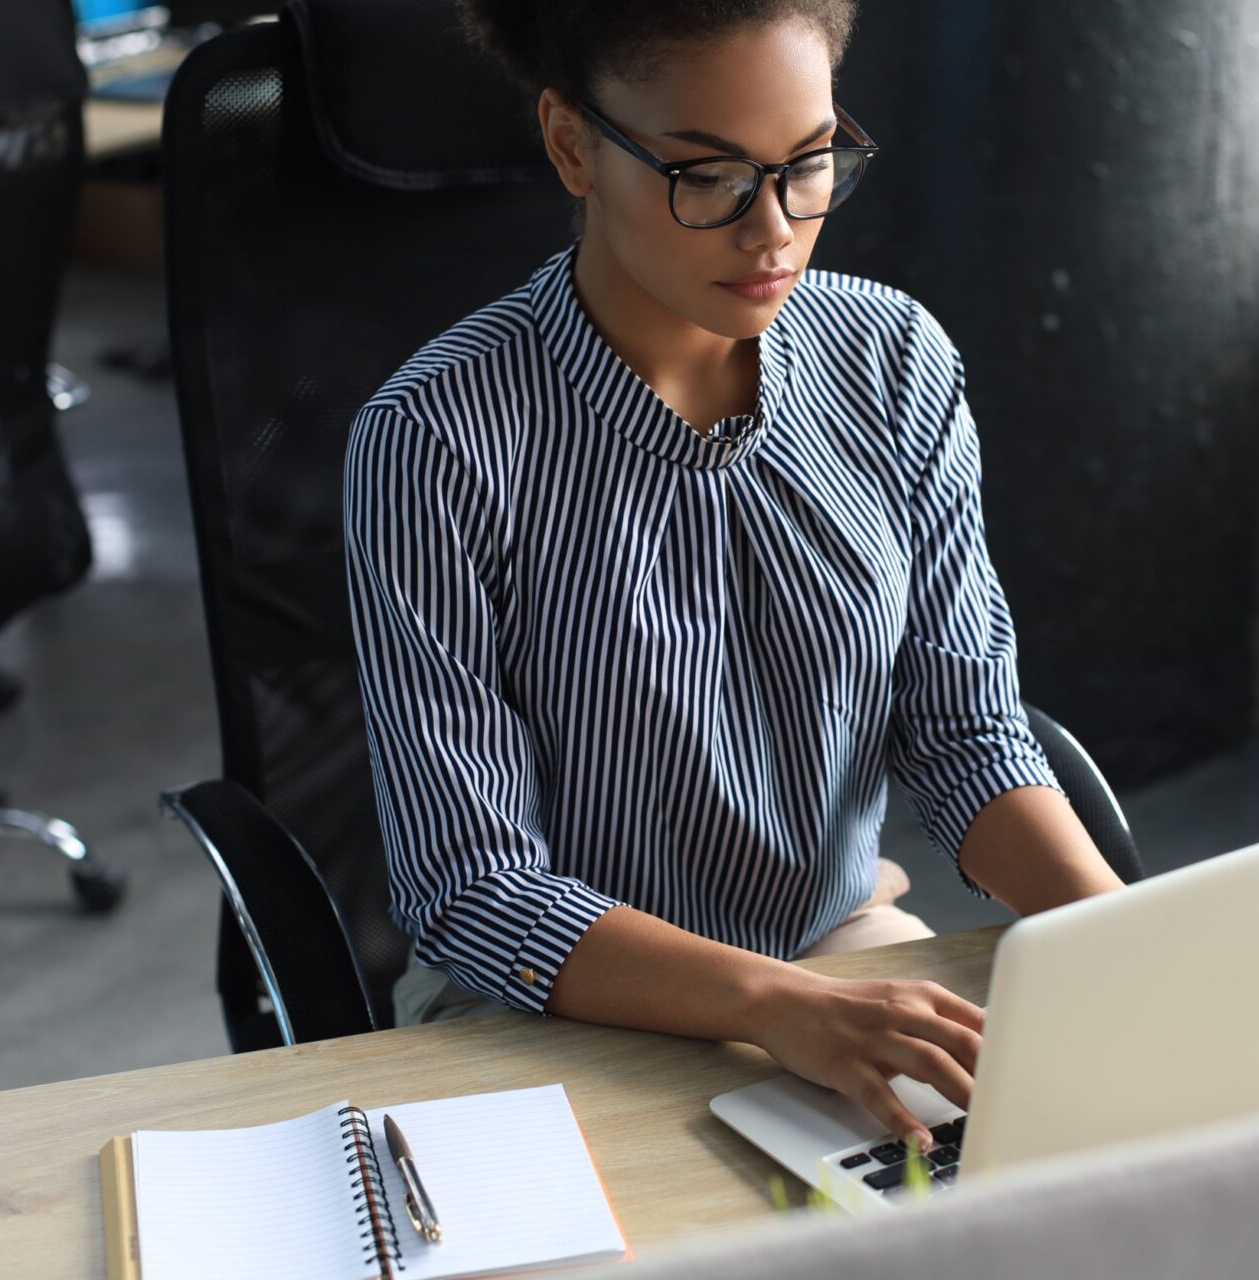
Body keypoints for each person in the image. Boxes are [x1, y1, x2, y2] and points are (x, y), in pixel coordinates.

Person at [342, 0, 1124, 1154]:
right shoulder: (437, 441)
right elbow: (472, 885)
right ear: (572, 145)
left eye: (809, 165)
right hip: (540, 1007)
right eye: (707, 177)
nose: (774, 232)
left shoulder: (892, 361)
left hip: (832, 952)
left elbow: (965, 729)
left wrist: (1131, 931)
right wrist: (775, 1004)